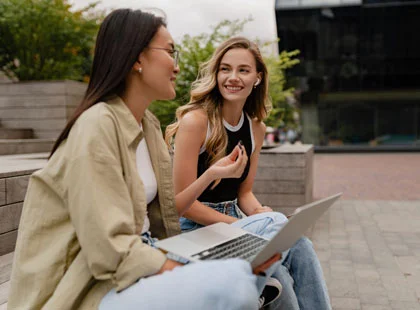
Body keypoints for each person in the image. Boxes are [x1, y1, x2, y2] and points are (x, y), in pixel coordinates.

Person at [7, 9, 278, 310]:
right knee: (236, 283)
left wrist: (213, 183)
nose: (177, 67)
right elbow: (112, 252)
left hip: (144, 257)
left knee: (273, 249)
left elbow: (168, 213)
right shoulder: (97, 127)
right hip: (90, 288)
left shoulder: (146, 125)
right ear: (137, 59)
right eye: (170, 52)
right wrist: (191, 270)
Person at [166, 37, 332, 309]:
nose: (233, 77)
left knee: (298, 248)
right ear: (216, 74)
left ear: (257, 77)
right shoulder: (196, 121)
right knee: (283, 255)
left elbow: (244, 192)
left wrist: (258, 213)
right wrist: (249, 227)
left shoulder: (256, 128)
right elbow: (183, 204)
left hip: (236, 222)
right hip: (196, 228)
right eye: (225, 69)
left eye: (243, 70)